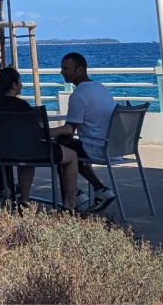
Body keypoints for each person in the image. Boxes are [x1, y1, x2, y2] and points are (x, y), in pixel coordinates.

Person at [0, 66, 77, 210]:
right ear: (14, 85)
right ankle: (70, 204)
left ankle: (24, 201)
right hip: (31, 151)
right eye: (20, 82)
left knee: (26, 157)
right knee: (72, 156)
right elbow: (40, 133)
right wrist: (64, 129)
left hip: (3, 153)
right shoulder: (22, 106)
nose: (22, 85)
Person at [54, 51, 117, 212]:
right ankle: (99, 191)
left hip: (96, 147)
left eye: (65, 68)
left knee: (59, 149)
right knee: (69, 147)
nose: (62, 72)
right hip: (114, 147)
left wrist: (42, 133)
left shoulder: (79, 95)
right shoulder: (100, 88)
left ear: (80, 69)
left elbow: (69, 130)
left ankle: (71, 200)